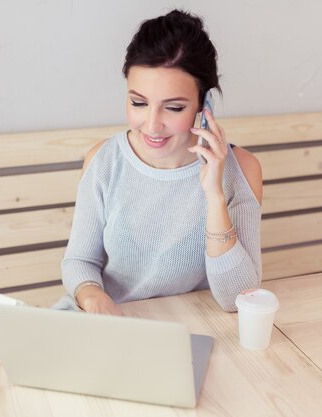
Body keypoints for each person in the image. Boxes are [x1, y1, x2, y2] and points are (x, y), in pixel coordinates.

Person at [54, 9, 262, 315]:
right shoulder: (105, 161)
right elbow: (80, 261)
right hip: (112, 325)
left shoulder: (241, 169)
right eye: (138, 103)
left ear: (204, 107)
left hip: (195, 327)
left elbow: (238, 298)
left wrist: (214, 196)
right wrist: (91, 295)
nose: (151, 125)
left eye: (174, 107)